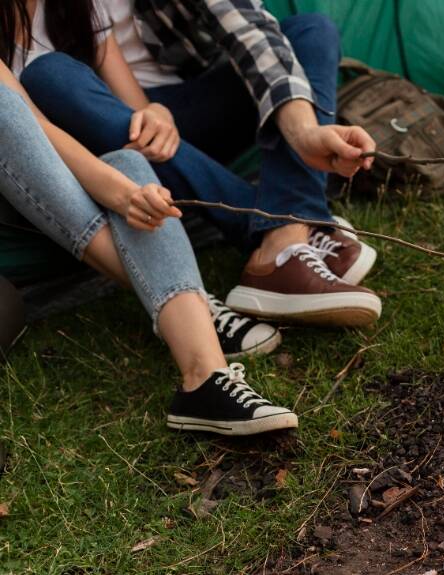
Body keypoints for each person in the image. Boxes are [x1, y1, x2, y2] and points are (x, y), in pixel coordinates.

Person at [0, 23, 297, 435]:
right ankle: (189, 306)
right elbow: (27, 125)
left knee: (130, 164)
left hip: (37, 166)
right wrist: (121, 195)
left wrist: (128, 179)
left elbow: (43, 130)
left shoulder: (73, 10)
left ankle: (205, 379)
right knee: (4, 104)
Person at [18, 0, 383, 327]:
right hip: (105, 130)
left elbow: (247, 27)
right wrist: (144, 112)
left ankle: (286, 234)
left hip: (184, 108)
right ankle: (287, 230)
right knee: (48, 75)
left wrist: (303, 131)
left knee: (312, 30)